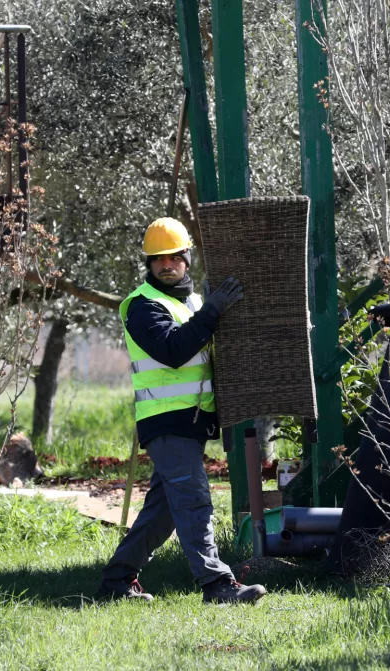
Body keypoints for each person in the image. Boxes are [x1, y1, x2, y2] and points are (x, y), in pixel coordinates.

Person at [96, 217, 267, 605]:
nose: (167, 265)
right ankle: (217, 585)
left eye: (174, 257)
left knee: (163, 512)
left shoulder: (189, 302)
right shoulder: (142, 306)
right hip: (166, 423)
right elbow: (173, 351)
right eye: (158, 259)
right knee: (193, 500)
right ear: (149, 264)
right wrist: (211, 312)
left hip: (192, 423)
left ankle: (116, 582)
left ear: (187, 258)